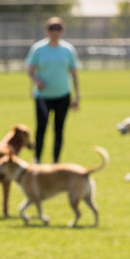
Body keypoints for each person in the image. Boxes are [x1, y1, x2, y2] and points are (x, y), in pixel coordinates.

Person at [25, 16, 80, 162]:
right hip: (43, 96)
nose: (54, 32)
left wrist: (77, 96)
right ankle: (37, 159)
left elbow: (74, 74)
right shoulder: (38, 49)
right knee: (41, 128)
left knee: (59, 129)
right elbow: (30, 69)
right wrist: (37, 80)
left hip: (63, 95)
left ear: (62, 31)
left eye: (58, 29)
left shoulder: (68, 50)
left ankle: (56, 162)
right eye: (51, 28)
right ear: (46, 30)